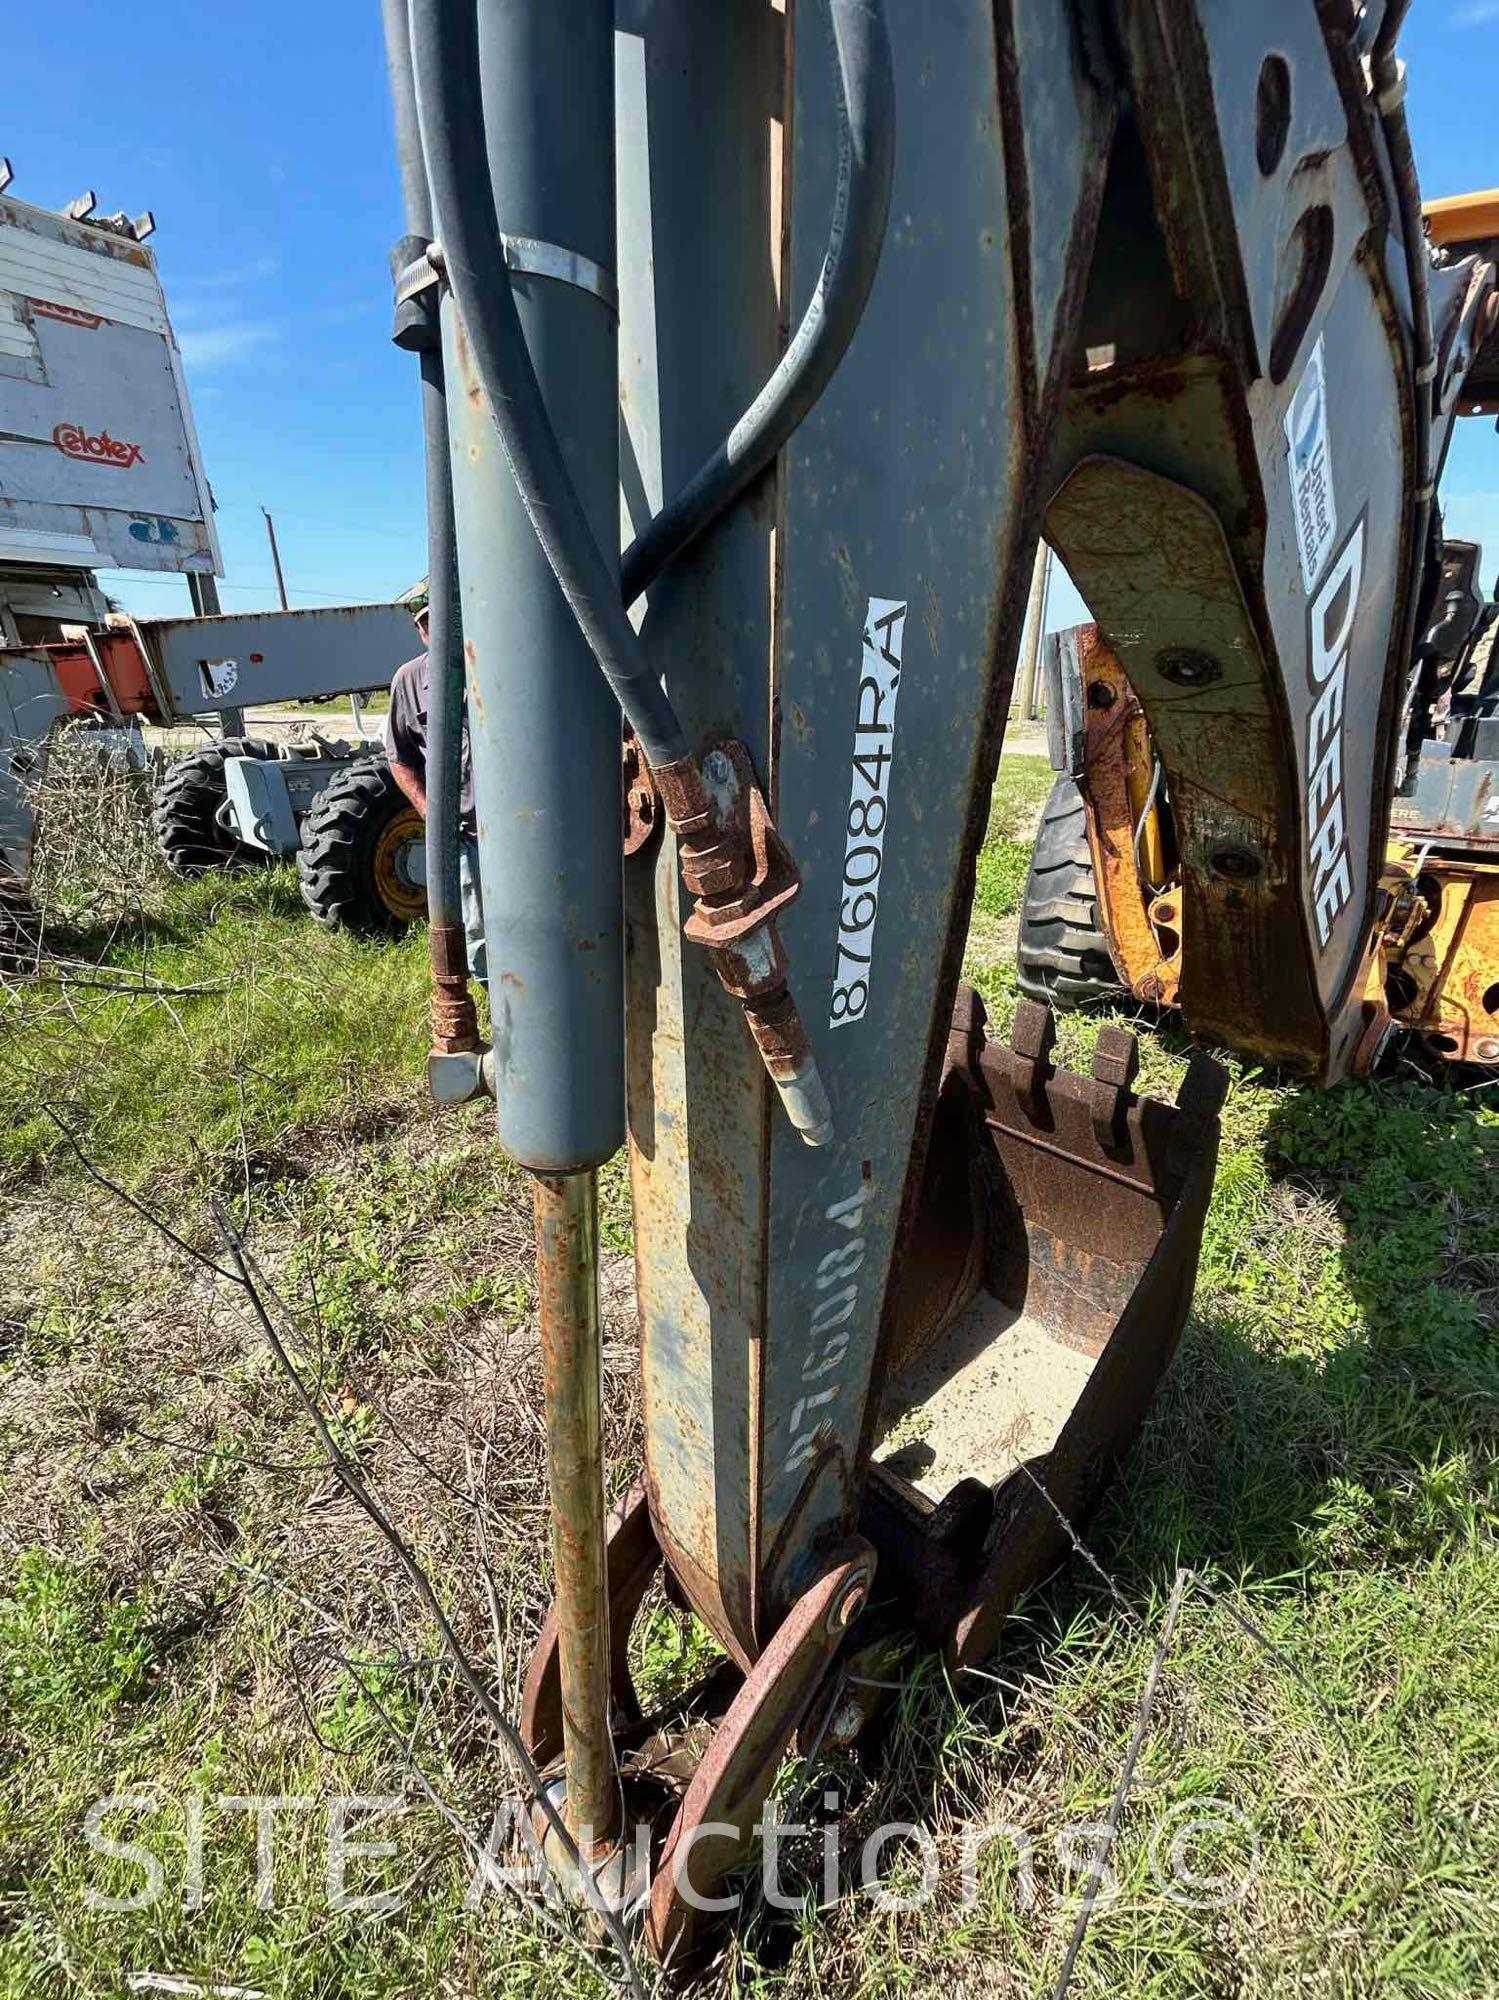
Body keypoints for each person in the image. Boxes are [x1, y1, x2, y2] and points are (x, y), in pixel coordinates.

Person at [384, 601, 486, 987]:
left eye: (446, 622)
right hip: (466, 833)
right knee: (479, 938)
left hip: (522, 830)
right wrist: (428, 809)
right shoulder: (409, 681)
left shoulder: (499, 661)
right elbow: (400, 757)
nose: (437, 632)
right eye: (427, 625)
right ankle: (507, 1018)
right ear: (421, 632)